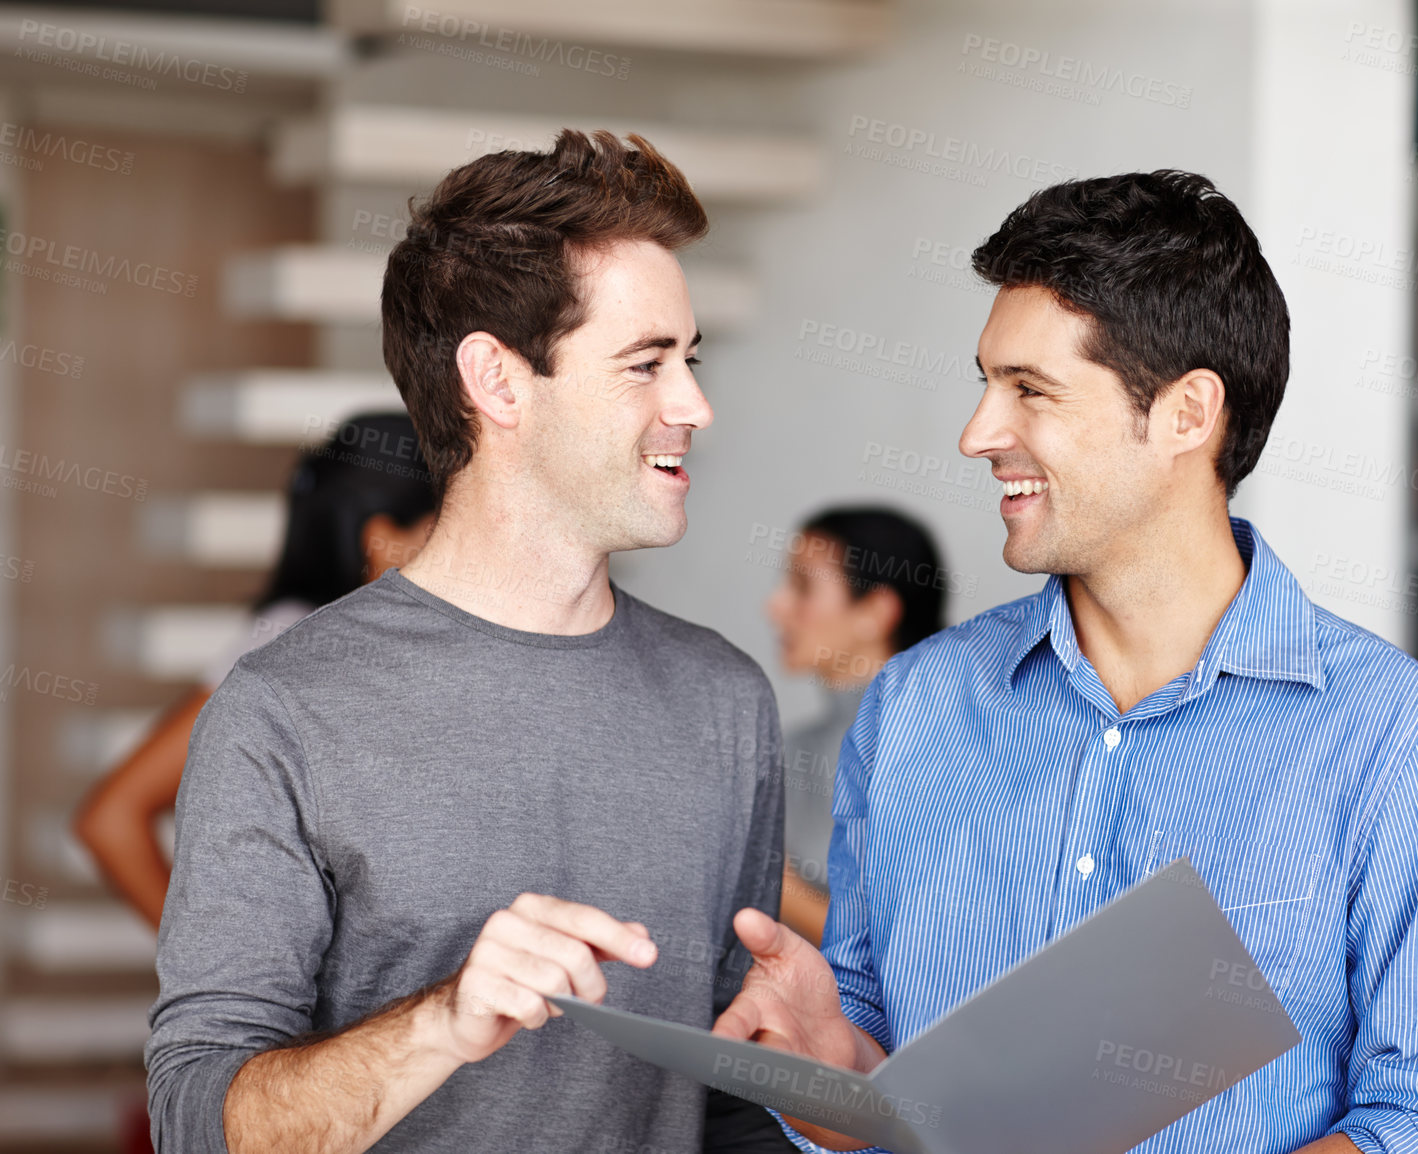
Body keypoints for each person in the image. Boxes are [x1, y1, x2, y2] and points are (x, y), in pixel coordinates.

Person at [714, 172, 1418, 1153]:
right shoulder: (916, 702)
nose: (978, 433)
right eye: (985, 381)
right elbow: (874, 1084)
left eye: (1030, 390)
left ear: (1186, 413)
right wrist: (822, 1056)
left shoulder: (1397, 733)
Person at [147, 130, 791, 1154]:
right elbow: (199, 1120)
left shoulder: (724, 697)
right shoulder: (282, 709)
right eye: (645, 363)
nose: (693, 404)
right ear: (496, 379)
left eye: (691, 359)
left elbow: (729, 1108)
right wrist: (441, 1021)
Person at [74, 412, 435, 927]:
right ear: (380, 538)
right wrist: (219, 979)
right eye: (442, 525)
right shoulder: (292, 640)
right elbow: (111, 819)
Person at [763, 507, 945, 944]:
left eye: (803, 586)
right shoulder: (791, 746)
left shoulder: (936, 744)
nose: (776, 607)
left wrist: (771, 881)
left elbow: (915, 950)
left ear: (876, 612)